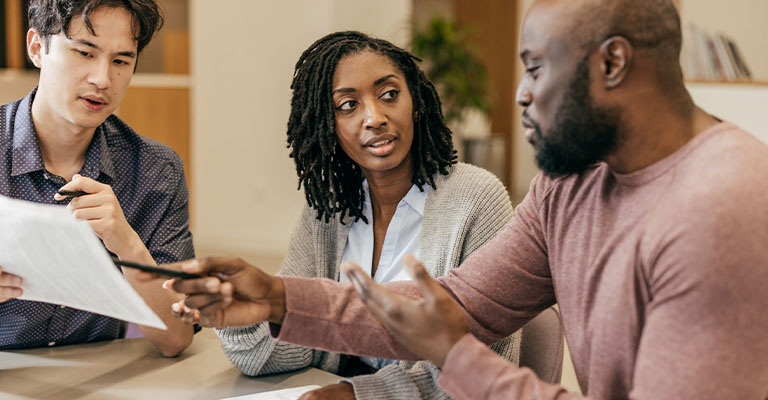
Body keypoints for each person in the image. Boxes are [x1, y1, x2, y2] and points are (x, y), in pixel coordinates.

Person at [165, 0, 768, 398]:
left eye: (535, 68)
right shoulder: (567, 186)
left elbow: (451, 338)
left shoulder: (724, 204)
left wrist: (453, 358)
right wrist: (277, 297)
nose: (521, 94)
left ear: (612, 62)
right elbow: (453, 306)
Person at [211, 31, 519, 400]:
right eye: (348, 105)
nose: (374, 118)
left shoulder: (476, 199)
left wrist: (359, 394)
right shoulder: (329, 210)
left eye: (389, 94)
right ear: (329, 125)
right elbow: (280, 351)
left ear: (416, 102)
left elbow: (481, 367)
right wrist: (240, 317)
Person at [0, 0, 195, 356]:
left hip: (102, 375)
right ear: (37, 48)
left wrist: (128, 246)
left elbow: (176, 338)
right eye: (84, 53)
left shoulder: (156, 171)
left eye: (120, 61)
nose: (102, 80)